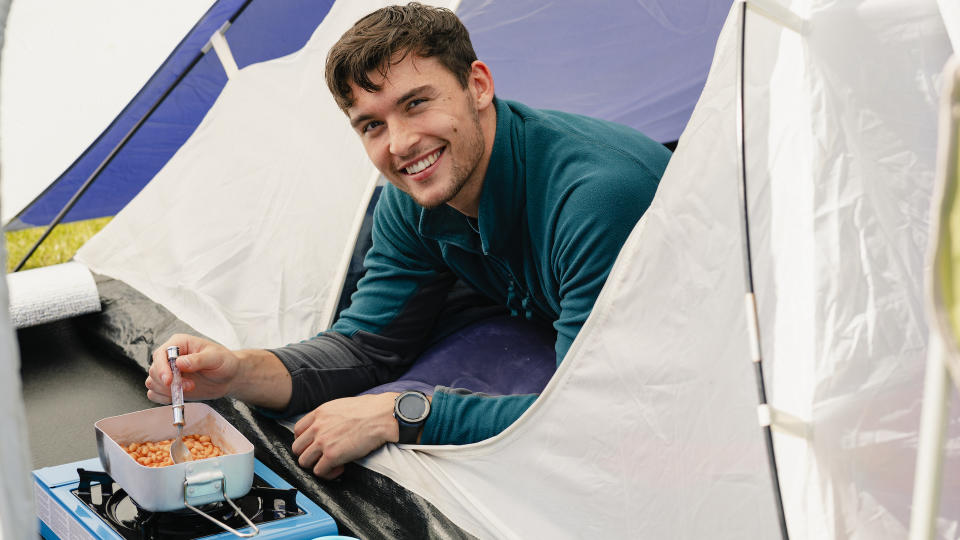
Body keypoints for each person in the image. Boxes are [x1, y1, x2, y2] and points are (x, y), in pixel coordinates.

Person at [145, 3, 671, 480]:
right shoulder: (415, 194)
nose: (400, 144)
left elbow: (595, 416)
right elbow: (368, 345)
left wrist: (400, 412)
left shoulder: (595, 201)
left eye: (416, 103)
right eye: (372, 125)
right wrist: (237, 371)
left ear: (479, 86)